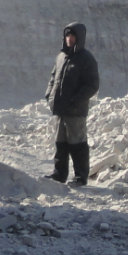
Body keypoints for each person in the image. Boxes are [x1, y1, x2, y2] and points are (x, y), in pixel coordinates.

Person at [44, 21, 100, 184]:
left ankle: (80, 177)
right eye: (67, 35)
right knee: (60, 143)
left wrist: (76, 100)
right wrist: (49, 95)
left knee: (77, 144)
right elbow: (53, 78)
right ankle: (59, 174)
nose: (69, 39)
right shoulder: (61, 57)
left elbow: (92, 85)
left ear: (79, 38)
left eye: (73, 36)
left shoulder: (86, 59)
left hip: (76, 111)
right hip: (60, 109)